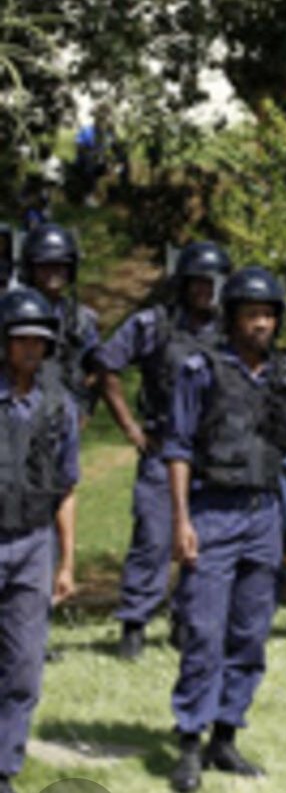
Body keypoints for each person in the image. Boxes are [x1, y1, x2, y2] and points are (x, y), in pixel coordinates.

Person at [164, 266, 286, 792]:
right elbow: (178, 448)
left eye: (269, 315)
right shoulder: (200, 370)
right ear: (232, 319)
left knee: (250, 631)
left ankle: (225, 736)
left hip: (265, 514)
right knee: (203, 630)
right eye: (252, 315)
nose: (261, 325)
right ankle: (188, 741)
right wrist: (181, 520)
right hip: (212, 510)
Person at [98, 241, 233, 659]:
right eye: (196, 283)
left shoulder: (232, 332)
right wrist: (131, 428)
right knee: (153, 537)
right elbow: (106, 365)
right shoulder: (154, 324)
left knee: (206, 543)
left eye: (211, 284)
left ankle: (187, 622)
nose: (204, 292)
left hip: (213, 455)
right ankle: (134, 625)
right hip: (161, 447)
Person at [0, 288, 78, 793]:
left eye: (40, 341)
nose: (32, 349)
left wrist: (66, 561)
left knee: (24, 664)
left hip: (33, 541)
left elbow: (67, 486)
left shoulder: (59, 406)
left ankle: (2, 768)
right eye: (21, 340)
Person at [18, 223, 99, 423]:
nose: (53, 273)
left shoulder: (81, 319)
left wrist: (84, 409)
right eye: (44, 266)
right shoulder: (12, 313)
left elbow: (97, 369)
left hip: (63, 419)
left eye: (59, 266)